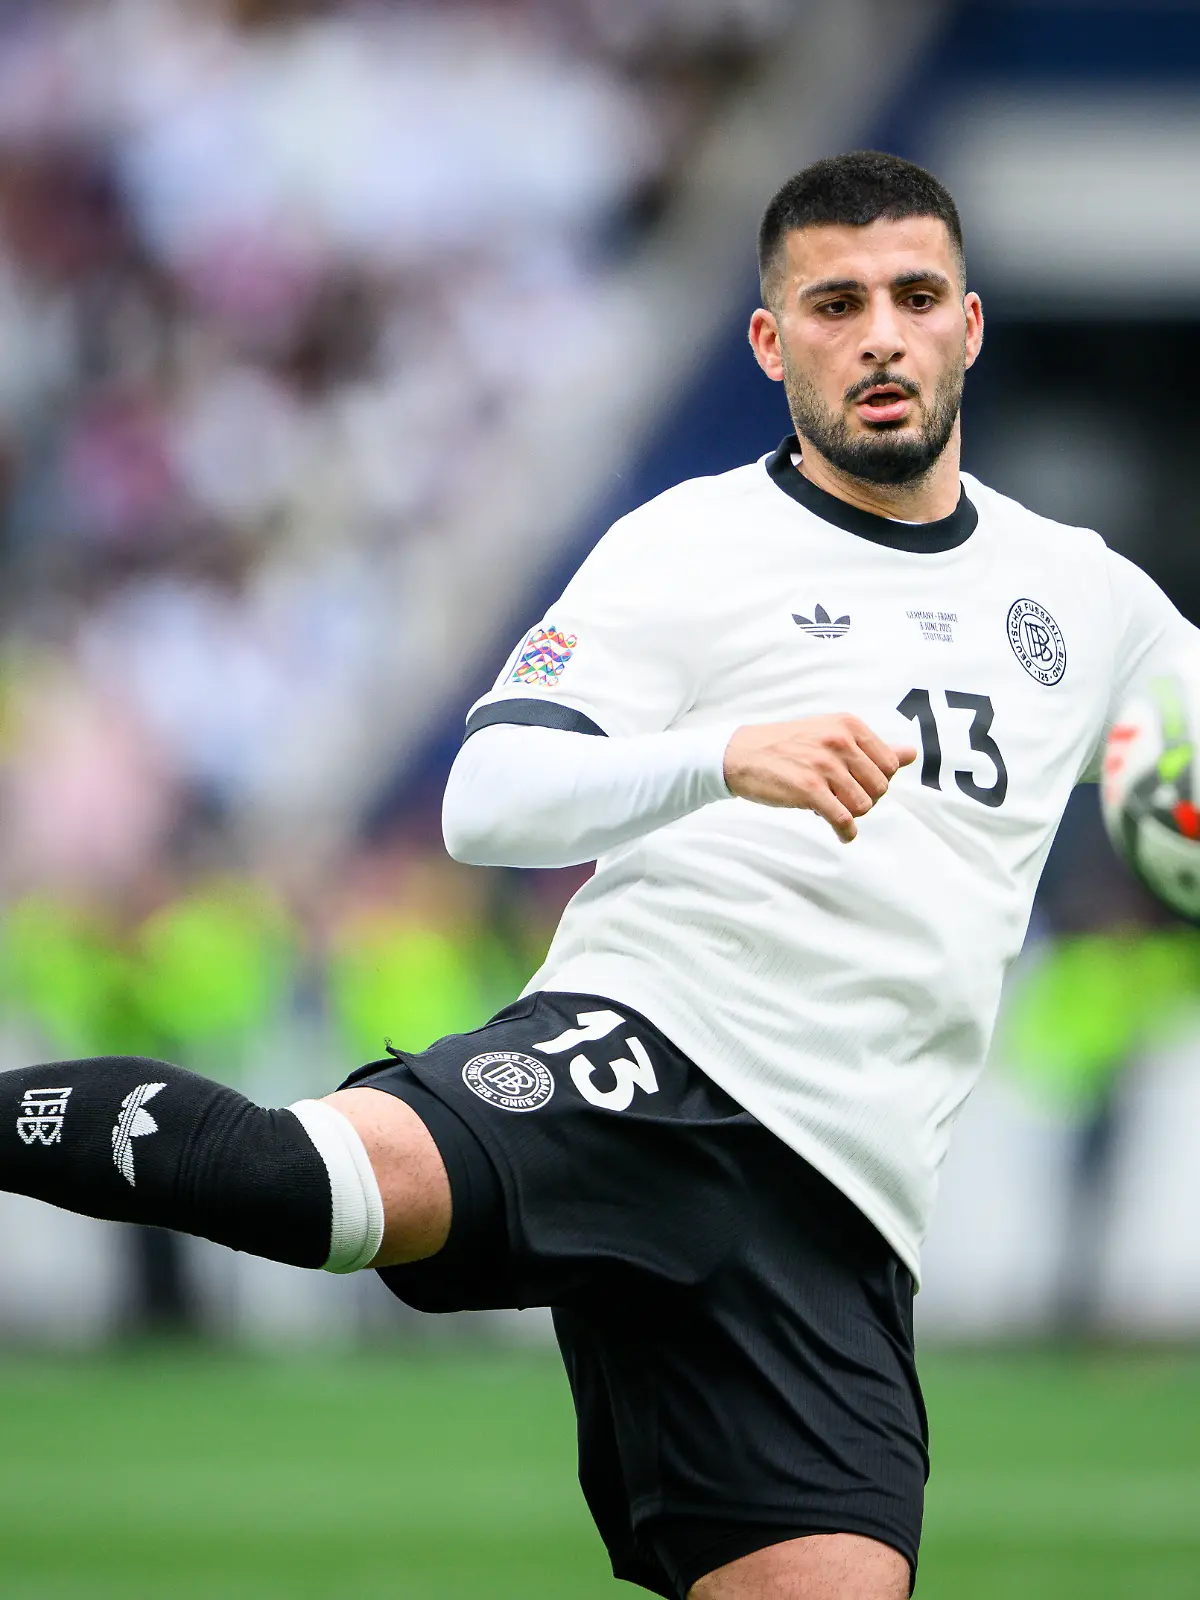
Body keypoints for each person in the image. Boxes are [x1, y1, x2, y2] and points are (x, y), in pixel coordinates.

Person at [2, 151, 1195, 1599]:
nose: (879, 332)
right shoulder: (687, 545)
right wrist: (719, 757)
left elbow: (1174, 755)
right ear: (769, 341)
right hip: (653, 1056)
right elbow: (485, 800)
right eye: (834, 303)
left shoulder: (1090, 597)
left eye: (913, 295)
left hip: (839, 1206)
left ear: (970, 325)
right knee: (313, 1179)